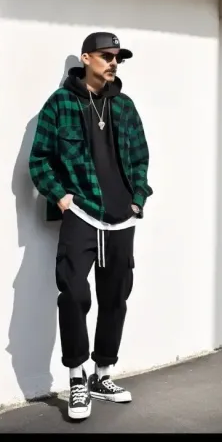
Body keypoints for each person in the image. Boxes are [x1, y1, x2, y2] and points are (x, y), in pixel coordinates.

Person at [29, 32, 152, 420]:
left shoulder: (125, 106)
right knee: (74, 294)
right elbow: (39, 159)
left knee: (115, 297)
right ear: (86, 58)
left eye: (118, 57)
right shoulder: (60, 103)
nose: (113, 62)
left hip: (121, 219)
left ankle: (102, 374)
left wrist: (138, 198)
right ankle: (77, 379)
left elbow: (140, 158)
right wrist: (60, 197)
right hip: (82, 213)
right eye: (106, 55)